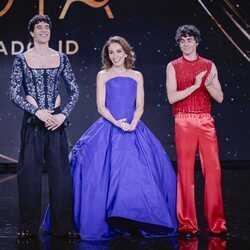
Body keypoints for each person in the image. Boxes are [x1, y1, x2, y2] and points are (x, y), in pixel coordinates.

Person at [42, 35, 178, 240]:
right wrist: (118, 123)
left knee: (139, 175)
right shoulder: (103, 75)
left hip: (133, 127)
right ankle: (109, 220)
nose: (115, 56)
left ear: (126, 53)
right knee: (98, 173)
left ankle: (135, 220)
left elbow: (140, 105)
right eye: (111, 52)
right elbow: (101, 107)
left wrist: (132, 123)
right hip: (110, 126)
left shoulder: (136, 75)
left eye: (118, 51)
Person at [9, 15, 79, 240]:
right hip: (33, 122)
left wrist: (63, 115)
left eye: (46, 27)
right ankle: (27, 227)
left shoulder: (61, 58)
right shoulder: (22, 59)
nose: (43, 30)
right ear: (31, 33)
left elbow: (74, 90)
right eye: (38, 27)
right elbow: (13, 92)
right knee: (29, 176)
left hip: (56, 123)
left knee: (61, 177)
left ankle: (64, 226)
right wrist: (37, 111)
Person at [166, 25, 229, 238]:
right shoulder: (173, 66)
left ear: (196, 42)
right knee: (185, 172)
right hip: (183, 120)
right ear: (179, 43)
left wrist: (208, 84)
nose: (186, 44)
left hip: (205, 120)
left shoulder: (209, 65)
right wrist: (195, 85)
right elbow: (172, 98)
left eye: (189, 40)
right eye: (182, 40)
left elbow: (219, 97)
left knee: (213, 172)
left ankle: (217, 224)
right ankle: (187, 224)